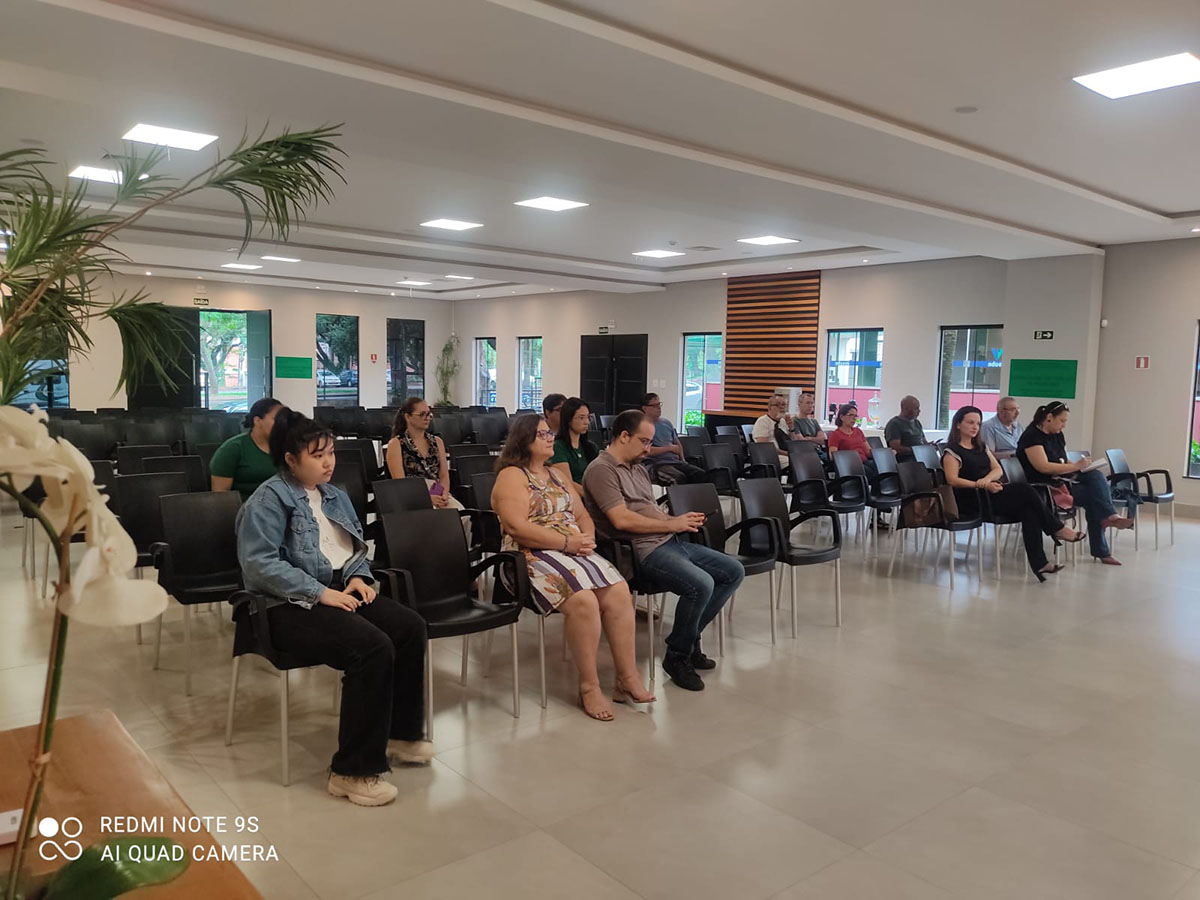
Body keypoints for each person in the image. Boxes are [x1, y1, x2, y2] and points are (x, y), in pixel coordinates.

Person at [237, 408, 431, 807]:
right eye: (317, 455)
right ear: (291, 460)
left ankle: (400, 733)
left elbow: (353, 548)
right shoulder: (268, 501)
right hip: (284, 605)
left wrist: (359, 576)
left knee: (410, 628)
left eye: (330, 453)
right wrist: (319, 592)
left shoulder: (333, 495)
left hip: (338, 590)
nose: (329, 463)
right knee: (371, 648)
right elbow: (259, 565)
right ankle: (352, 771)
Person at [493, 415, 655, 721]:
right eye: (542, 434)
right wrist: (567, 543)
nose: (550, 438)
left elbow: (582, 516)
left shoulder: (556, 474)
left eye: (550, 433)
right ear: (524, 440)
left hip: (572, 548)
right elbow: (516, 527)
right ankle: (589, 686)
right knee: (583, 601)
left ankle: (626, 676)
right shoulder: (512, 476)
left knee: (619, 591)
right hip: (529, 555)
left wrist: (587, 539)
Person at [583, 409, 744, 691]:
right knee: (701, 585)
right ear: (624, 436)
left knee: (733, 571)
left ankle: (687, 640)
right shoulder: (601, 470)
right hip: (639, 551)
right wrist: (671, 524)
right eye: (644, 441)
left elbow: (649, 510)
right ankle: (678, 656)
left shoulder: (637, 467)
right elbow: (621, 520)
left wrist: (677, 521)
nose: (649, 449)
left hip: (666, 540)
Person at [942, 406, 1085, 581]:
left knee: (1029, 510)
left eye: (978, 423)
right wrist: (981, 485)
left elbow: (997, 469)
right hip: (972, 499)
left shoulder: (980, 446)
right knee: (1024, 489)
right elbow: (952, 480)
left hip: (990, 492)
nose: (975, 427)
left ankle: (1040, 563)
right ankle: (1056, 528)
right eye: (970, 423)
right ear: (958, 424)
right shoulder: (952, 451)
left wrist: (987, 480)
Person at [1016, 401, 1134, 565]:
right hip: (1044, 488)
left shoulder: (1057, 435)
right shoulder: (1031, 436)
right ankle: (1105, 535)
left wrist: (1081, 466)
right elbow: (1043, 467)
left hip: (1062, 480)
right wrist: (1075, 466)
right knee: (1095, 498)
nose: (1064, 425)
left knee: (1095, 476)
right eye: (1062, 421)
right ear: (1049, 417)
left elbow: (1063, 460)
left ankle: (1109, 518)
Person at [386, 397, 465, 516]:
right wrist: (427, 498)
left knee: (463, 516)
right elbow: (400, 483)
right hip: (411, 496)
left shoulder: (437, 441)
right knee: (438, 519)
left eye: (428, 414)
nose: (427, 418)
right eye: (422, 414)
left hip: (436, 490)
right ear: (408, 417)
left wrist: (442, 495)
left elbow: (444, 475)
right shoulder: (396, 444)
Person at [210, 397, 282, 499]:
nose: (282, 423)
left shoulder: (286, 446)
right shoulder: (233, 448)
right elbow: (221, 495)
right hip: (245, 505)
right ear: (257, 421)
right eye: (276, 419)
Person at [639, 392, 706, 485]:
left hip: (674, 461)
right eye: (654, 406)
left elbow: (677, 444)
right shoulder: (642, 426)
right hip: (657, 464)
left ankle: (695, 495)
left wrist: (683, 460)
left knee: (700, 474)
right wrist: (669, 448)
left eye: (659, 404)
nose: (658, 408)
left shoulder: (666, 423)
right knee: (678, 477)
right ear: (645, 408)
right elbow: (646, 450)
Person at [549, 397, 599, 484]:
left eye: (588, 417)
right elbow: (567, 483)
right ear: (569, 419)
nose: (586, 422)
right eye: (581, 418)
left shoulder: (591, 447)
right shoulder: (558, 447)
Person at [827, 404, 877, 477]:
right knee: (869, 472)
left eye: (855, 416)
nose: (854, 418)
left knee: (879, 467)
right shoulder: (835, 435)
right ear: (842, 417)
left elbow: (868, 451)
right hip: (850, 464)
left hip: (864, 461)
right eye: (850, 415)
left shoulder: (858, 431)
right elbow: (833, 456)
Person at [752, 393, 800, 461]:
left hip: (786, 454)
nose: (781, 407)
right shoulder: (762, 421)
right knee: (796, 462)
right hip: (770, 455)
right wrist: (787, 453)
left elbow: (793, 441)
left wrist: (791, 428)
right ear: (769, 407)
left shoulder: (783, 421)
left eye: (783, 405)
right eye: (777, 405)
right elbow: (763, 446)